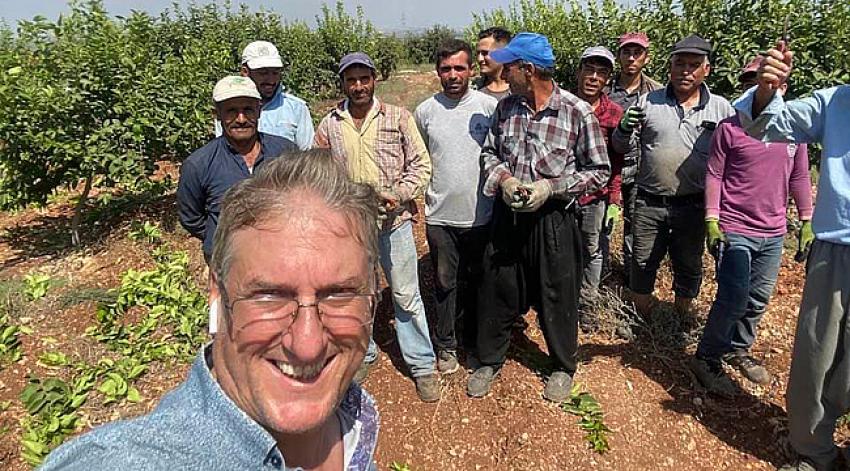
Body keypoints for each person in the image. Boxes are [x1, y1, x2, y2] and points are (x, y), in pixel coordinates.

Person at [41, 150, 381, 470]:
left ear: (373, 297)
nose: (308, 344)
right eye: (269, 296)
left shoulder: (353, 417)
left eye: (338, 294)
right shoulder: (141, 458)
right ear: (217, 293)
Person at [468, 32, 610, 402]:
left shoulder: (577, 112)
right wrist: (507, 180)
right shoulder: (506, 108)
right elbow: (490, 154)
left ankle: (562, 366)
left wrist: (551, 188)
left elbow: (599, 170)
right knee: (497, 286)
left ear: (527, 70)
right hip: (510, 214)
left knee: (557, 293)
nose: (502, 71)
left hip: (553, 220)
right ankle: (490, 359)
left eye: (509, 66)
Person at [735, 41, 849, 471]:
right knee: (817, 356)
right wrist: (767, 88)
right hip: (836, 248)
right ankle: (813, 451)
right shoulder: (836, 101)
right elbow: (768, 123)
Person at [314, 52, 440, 402]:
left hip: (395, 222)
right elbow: (319, 172)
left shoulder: (398, 117)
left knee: (404, 294)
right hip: (352, 227)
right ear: (342, 83)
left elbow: (420, 164)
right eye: (351, 80)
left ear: (374, 80)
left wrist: (399, 194)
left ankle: (422, 364)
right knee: (358, 293)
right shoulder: (329, 125)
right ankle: (364, 352)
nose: (358, 86)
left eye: (363, 79)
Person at [688, 56, 813, 397]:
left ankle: (737, 348)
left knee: (757, 299)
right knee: (733, 296)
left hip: (772, 232)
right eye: (752, 83)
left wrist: (806, 220)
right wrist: (712, 220)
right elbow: (714, 174)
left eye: (771, 85)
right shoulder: (731, 129)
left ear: (784, 88)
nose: (759, 91)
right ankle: (707, 356)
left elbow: (799, 177)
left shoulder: (793, 133)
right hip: (735, 226)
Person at [612, 35, 734, 317]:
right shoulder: (648, 102)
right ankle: (640, 318)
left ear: (707, 69)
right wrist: (623, 129)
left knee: (689, 263)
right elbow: (620, 148)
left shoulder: (721, 109)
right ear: (670, 66)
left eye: (694, 65)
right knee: (642, 262)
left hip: (693, 203)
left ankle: (682, 317)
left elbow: (732, 159)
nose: (686, 71)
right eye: (680, 64)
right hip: (648, 201)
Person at [414, 40, 498, 374]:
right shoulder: (425, 111)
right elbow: (421, 159)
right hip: (440, 216)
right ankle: (447, 345)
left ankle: (476, 345)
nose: (452, 75)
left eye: (459, 68)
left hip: (481, 214)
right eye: (446, 69)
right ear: (437, 72)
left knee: (478, 281)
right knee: (445, 282)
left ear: (471, 70)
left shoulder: (487, 108)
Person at [178, 75, 297, 264]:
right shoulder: (198, 164)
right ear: (217, 114)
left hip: (281, 257)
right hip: (227, 262)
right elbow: (191, 218)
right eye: (231, 111)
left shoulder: (286, 152)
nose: (241, 119)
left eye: (248, 109)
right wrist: (221, 236)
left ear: (259, 110)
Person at [572, 46, 624, 328]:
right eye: (589, 70)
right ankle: (561, 299)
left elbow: (617, 161)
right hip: (564, 194)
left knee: (592, 248)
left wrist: (614, 201)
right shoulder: (564, 104)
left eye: (601, 72)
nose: (593, 77)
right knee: (564, 248)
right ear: (579, 72)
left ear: (607, 79)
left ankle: (587, 303)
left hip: (596, 195)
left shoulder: (614, 113)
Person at [605, 32, 663, 283]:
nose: (631, 58)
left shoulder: (656, 92)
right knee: (602, 225)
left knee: (636, 227)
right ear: (619, 56)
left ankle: (632, 279)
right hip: (610, 167)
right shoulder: (606, 89)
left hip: (641, 171)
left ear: (646, 58)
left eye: (637, 53)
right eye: (626, 52)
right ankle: (600, 274)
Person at [215, 40, 314, 150]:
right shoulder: (228, 108)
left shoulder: (297, 108)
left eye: (275, 73)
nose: (271, 80)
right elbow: (224, 151)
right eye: (263, 73)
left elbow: (307, 155)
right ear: (245, 72)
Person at [472, 27, 513, 100]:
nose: (479, 59)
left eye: (485, 53)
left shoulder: (519, 90)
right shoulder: (474, 89)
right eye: (478, 53)